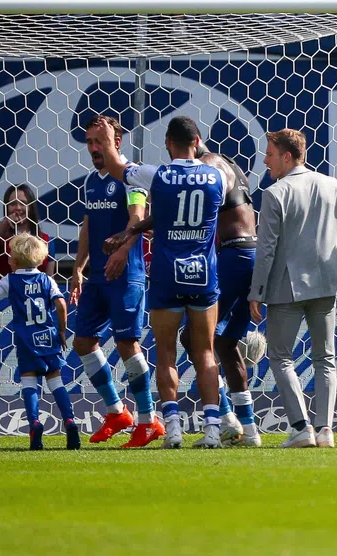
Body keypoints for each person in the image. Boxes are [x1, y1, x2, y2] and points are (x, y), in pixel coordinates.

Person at [100, 115, 227, 450]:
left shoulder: (158, 175)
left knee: (166, 353)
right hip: (203, 273)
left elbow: (116, 166)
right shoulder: (216, 176)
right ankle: (213, 429)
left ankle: (171, 429)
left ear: (168, 142)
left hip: (167, 274)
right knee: (205, 353)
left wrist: (107, 136)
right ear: (197, 142)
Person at [250, 127, 337, 450]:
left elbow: (267, 248)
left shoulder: (275, 193)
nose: (265, 160)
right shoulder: (331, 184)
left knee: (280, 357)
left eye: (270, 154)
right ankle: (325, 430)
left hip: (286, 288)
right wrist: (334, 259)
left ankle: (301, 428)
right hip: (327, 284)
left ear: (286, 156)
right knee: (325, 358)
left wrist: (256, 291)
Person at [69, 117, 158, 448]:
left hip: (125, 275)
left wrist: (124, 251)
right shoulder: (91, 182)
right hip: (96, 278)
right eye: (89, 142)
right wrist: (78, 267)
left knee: (126, 345)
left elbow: (137, 218)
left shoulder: (131, 177)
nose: (93, 148)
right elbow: (88, 226)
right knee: (82, 342)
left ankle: (148, 420)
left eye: (99, 141)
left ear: (116, 142)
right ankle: (117, 412)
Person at [0, 237, 79, 450]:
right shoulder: (47, 280)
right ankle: (70, 421)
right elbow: (61, 304)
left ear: (17, 261)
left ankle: (35, 424)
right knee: (56, 382)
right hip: (48, 337)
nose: (9, 259)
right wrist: (61, 330)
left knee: (29, 384)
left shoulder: (11, 280)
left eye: (11, 255)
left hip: (26, 341)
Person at [199, 138, 262, 446]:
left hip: (234, 255)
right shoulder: (232, 165)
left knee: (195, 336)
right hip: (250, 252)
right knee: (224, 343)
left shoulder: (208, 163)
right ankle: (249, 431)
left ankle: (226, 418)